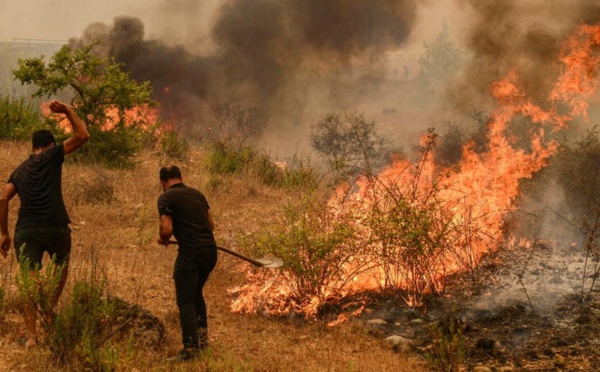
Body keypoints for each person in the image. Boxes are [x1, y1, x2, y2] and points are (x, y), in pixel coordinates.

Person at [0, 100, 90, 348]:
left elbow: (3, 198)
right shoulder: (52, 155)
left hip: (26, 231)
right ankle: (49, 308)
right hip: (56, 227)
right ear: (50, 146)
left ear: (32, 147)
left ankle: (31, 337)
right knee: (61, 269)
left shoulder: (18, 170)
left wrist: (3, 234)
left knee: (29, 283)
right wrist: (68, 111)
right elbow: (83, 135)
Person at [156, 165, 218, 361]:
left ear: (162, 183)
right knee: (196, 293)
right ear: (181, 177)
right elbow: (211, 225)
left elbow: (166, 228)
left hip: (191, 253)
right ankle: (203, 341)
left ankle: (190, 349)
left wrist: (164, 238)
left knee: (185, 300)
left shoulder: (166, 197)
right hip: (210, 251)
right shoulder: (198, 194)